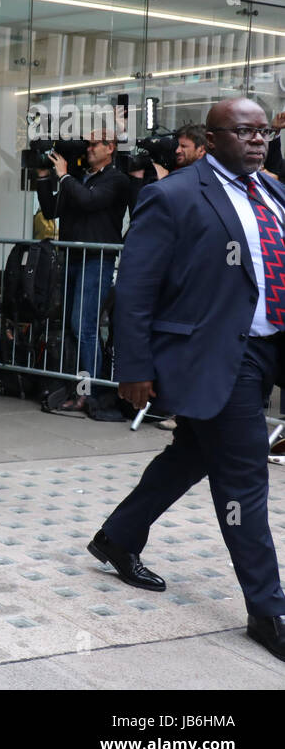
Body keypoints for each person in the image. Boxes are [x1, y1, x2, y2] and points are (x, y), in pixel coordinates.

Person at [100, 97, 285, 663]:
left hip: (267, 352)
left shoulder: (275, 193)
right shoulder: (173, 194)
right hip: (210, 356)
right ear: (212, 137)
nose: (257, 140)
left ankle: (117, 537)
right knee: (245, 478)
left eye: (263, 131)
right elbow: (134, 289)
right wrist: (132, 369)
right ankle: (269, 610)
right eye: (244, 132)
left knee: (190, 455)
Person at [36, 130, 129, 407]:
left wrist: (63, 176)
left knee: (84, 326)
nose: (87, 149)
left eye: (93, 144)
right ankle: (75, 387)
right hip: (72, 256)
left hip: (97, 258)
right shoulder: (77, 177)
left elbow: (90, 201)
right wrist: (43, 175)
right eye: (86, 145)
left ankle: (91, 392)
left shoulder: (117, 180)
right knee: (71, 324)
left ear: (110, 147)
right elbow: (51, 209)